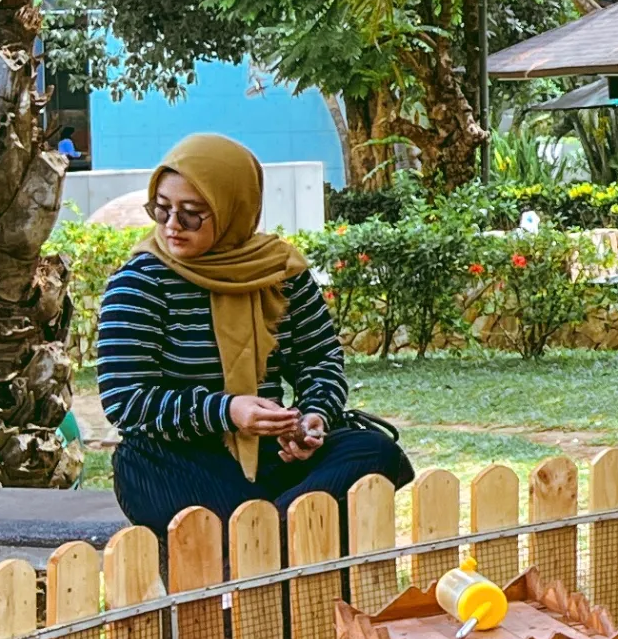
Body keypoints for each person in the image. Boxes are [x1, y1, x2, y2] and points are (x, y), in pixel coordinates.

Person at [94, 133, 410, 532]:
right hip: (182, 458)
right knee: (141, 463)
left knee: (373, 450)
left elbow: (320, 360)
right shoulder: (139, 284)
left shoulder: (280, 273)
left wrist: (314, 417)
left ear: (233, 209)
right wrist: (227, 410)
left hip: (273, 457)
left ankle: (260, 534)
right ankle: (277, 533)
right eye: (161, 209)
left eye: (191, 213)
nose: (172, 226)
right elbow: (126, 401)